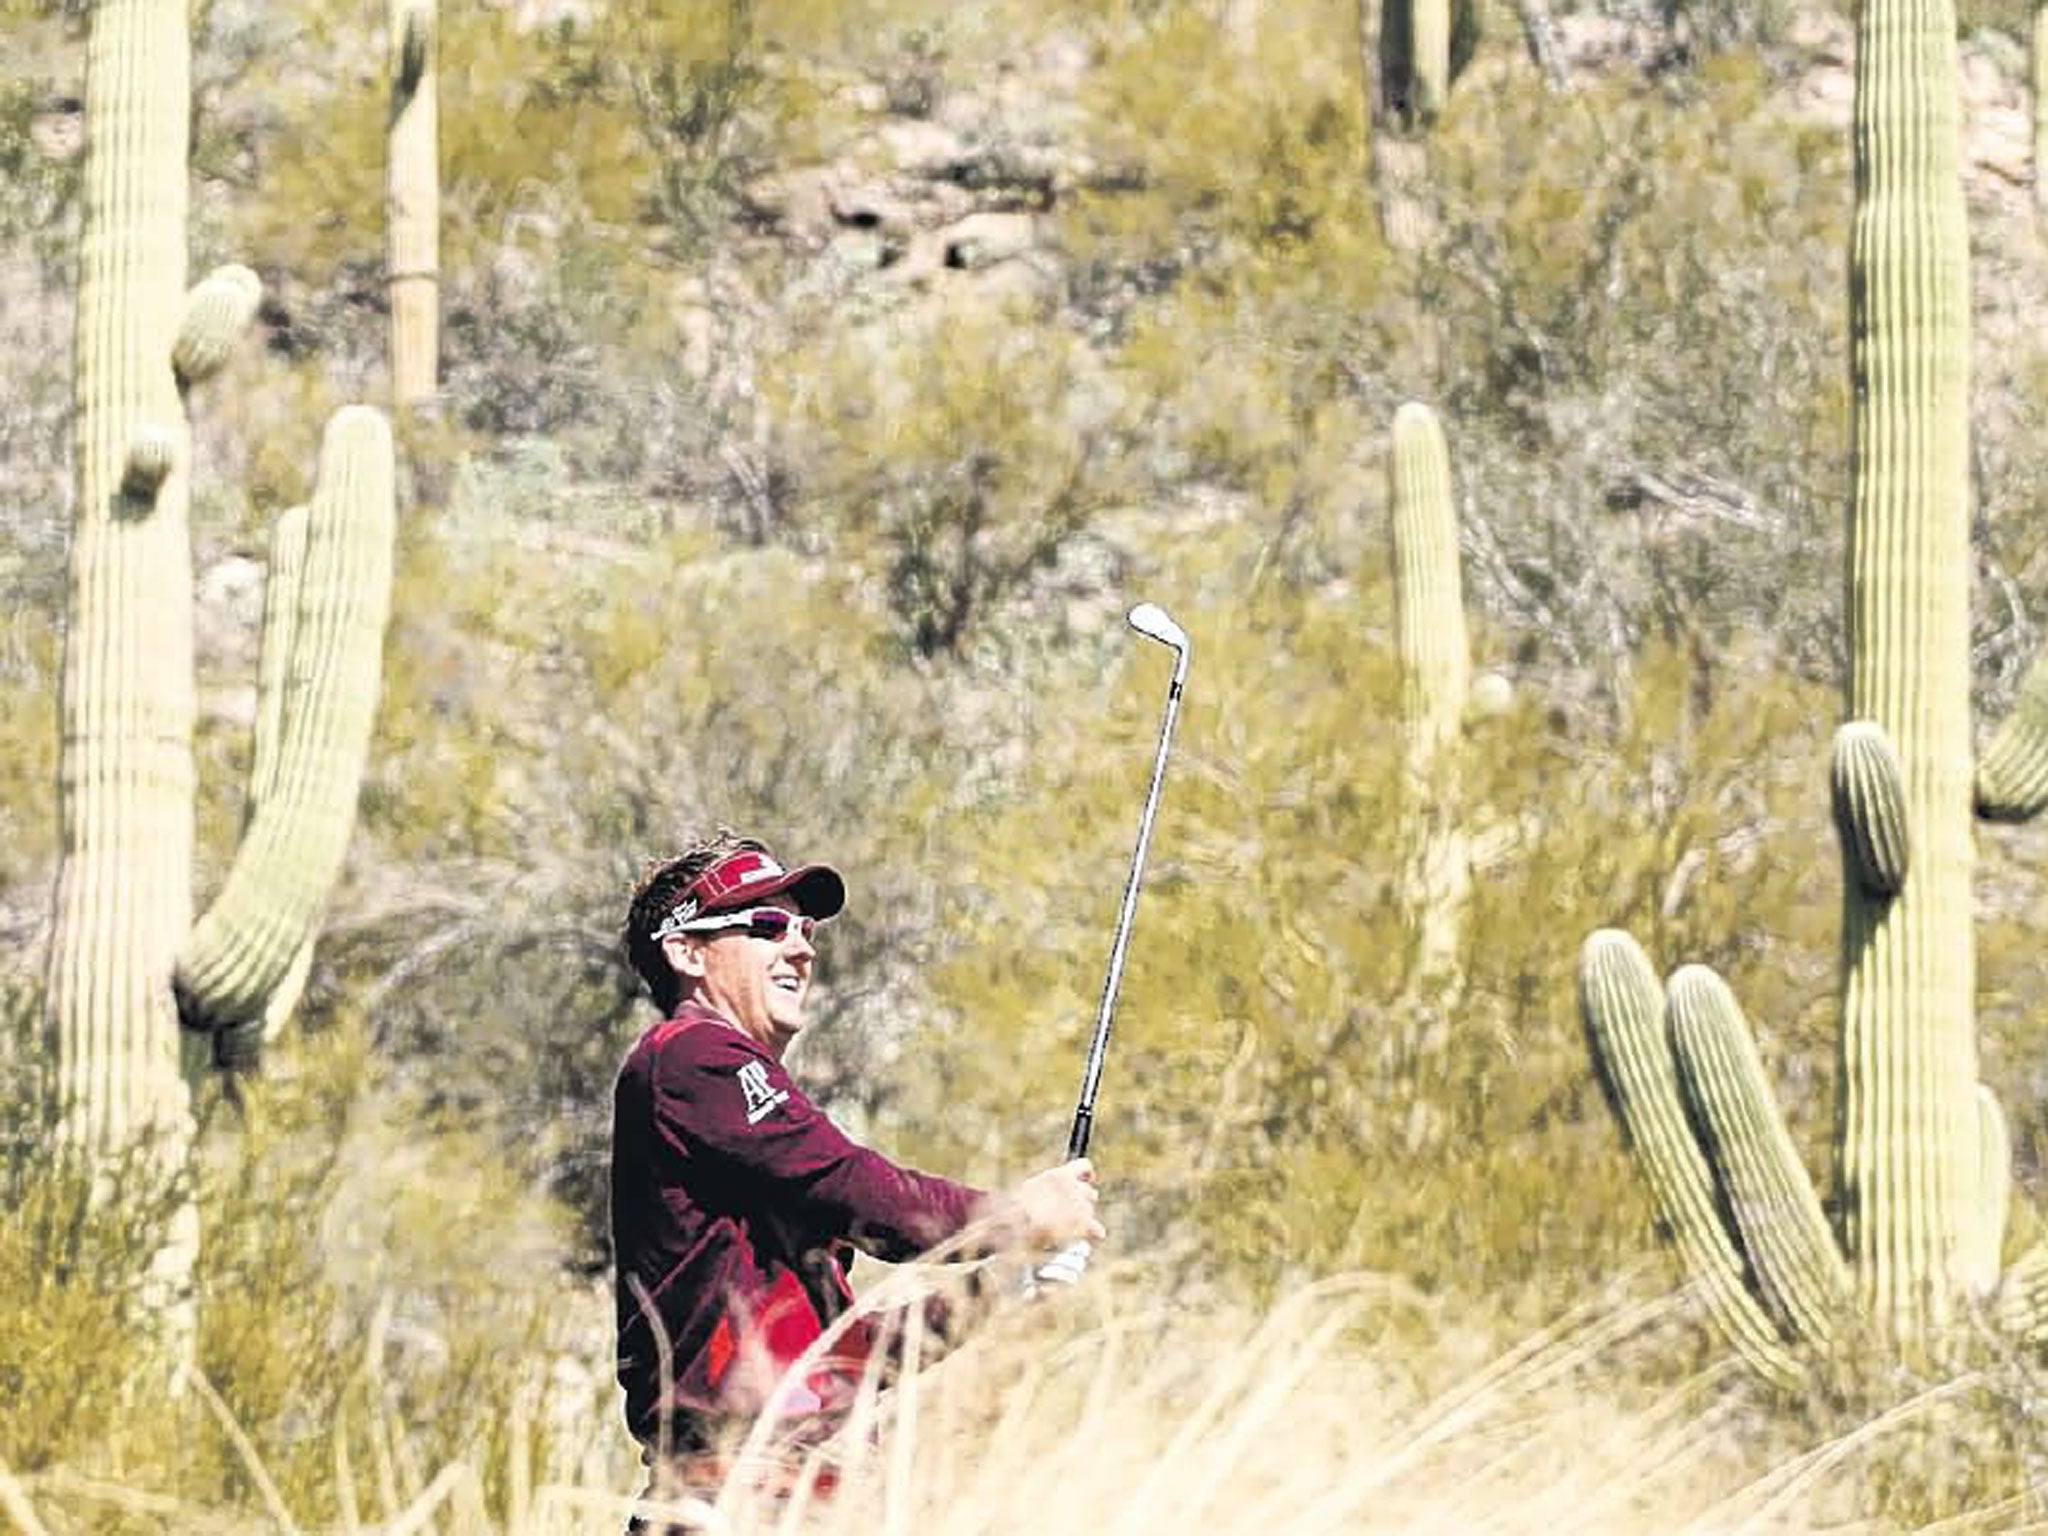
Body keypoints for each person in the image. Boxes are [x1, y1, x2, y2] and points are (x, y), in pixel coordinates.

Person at [611, 831, 1104, 1529]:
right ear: (686, 951)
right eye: (767, 925)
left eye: (804, 928)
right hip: (740, 1500)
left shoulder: (742, 1158)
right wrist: (1018, 1216)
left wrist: (1002, 1286)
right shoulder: (690, 1053)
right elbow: (865, 1196)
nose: (802, 948)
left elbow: (841, 1360)